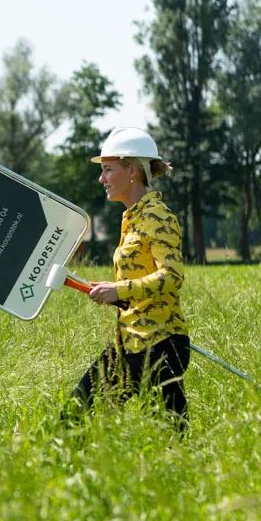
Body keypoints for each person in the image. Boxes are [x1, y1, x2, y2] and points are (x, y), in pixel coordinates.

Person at [70, 127, 191, 425]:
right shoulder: (132, 218)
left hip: (160, 345)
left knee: (170, 438)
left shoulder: (158, 217)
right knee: (75, 417)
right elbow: (140, 283)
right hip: (130, 344)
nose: (101, 178)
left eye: (108, 169)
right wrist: (112, 291)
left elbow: (172, 276)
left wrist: (120, 290)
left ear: (132, 172)